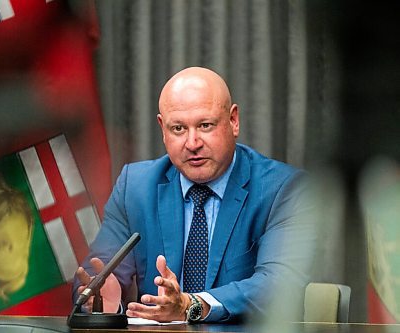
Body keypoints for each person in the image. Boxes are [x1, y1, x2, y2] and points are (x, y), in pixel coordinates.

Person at [73, 67, 315, 323]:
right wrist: (101, 301)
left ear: (234, 121)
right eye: (178, 128)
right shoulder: (135, 186)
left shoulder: (283, 188)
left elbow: (278, 285)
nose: (192, 143)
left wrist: (192, 305)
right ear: (162, 129)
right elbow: (95, 273)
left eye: (205, 125)